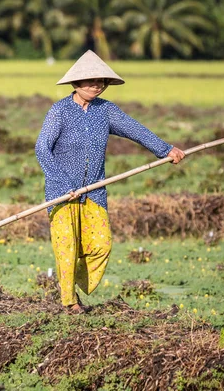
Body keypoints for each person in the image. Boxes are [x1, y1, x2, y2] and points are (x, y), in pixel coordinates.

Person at [35, 50, 185, 313]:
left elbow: (136, 129)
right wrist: (61, 184)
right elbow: (41, 148)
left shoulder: (106, 111)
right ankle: (69, 301)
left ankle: (71, 281)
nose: (96, 85)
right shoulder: (58, 111)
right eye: (90, 80)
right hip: (62, 194)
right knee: (67, 248)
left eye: (101, 81)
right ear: (76, 83)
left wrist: (166, 149)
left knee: (102, 246)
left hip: (94, 191)